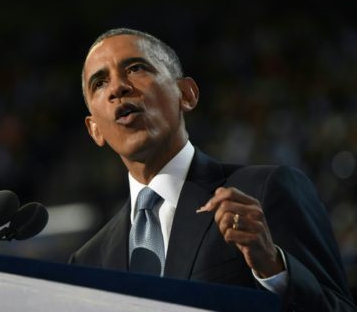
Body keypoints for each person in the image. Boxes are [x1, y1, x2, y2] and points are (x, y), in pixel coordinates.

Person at [69, 28, 356, 311]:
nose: (118, 87)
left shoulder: (266, 190)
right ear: (95, 130)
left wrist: (274, 270)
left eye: (135, 68)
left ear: (186, 94)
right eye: (100, 83)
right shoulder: (88, 260)